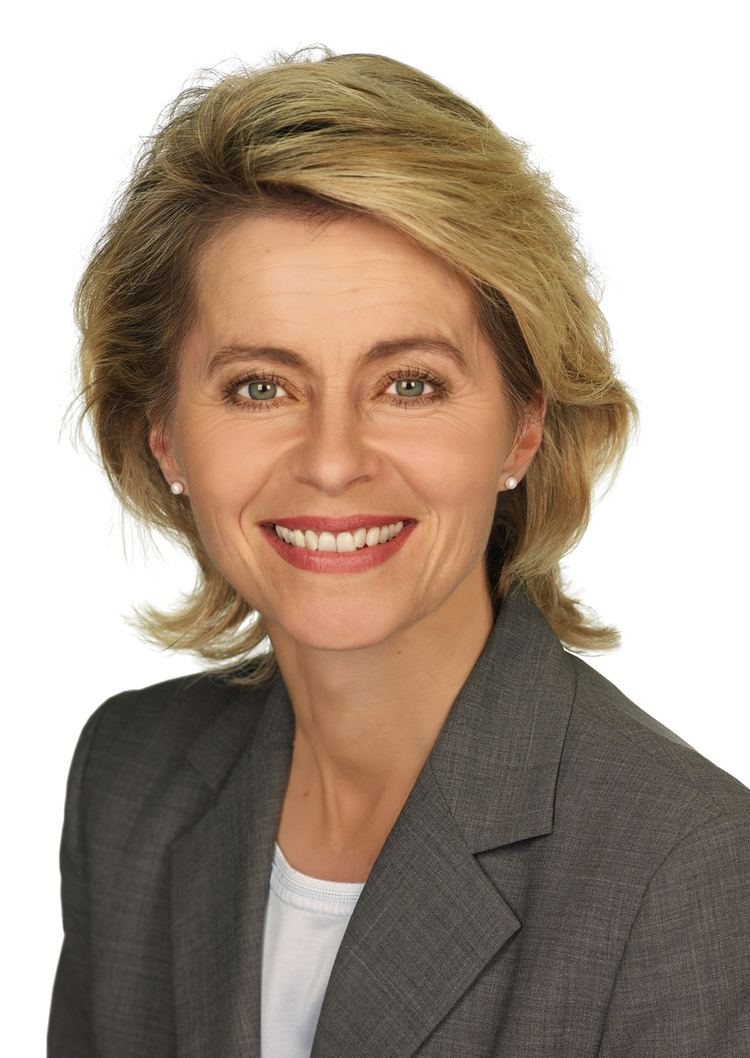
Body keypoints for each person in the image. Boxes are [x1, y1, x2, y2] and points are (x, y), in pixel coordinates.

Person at [48, 45, 749, 1058]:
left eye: (409, 382)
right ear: (162, 433)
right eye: (260, 384)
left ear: (523, 424)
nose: (333, 461)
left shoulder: (690, 878)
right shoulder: (128, 780)